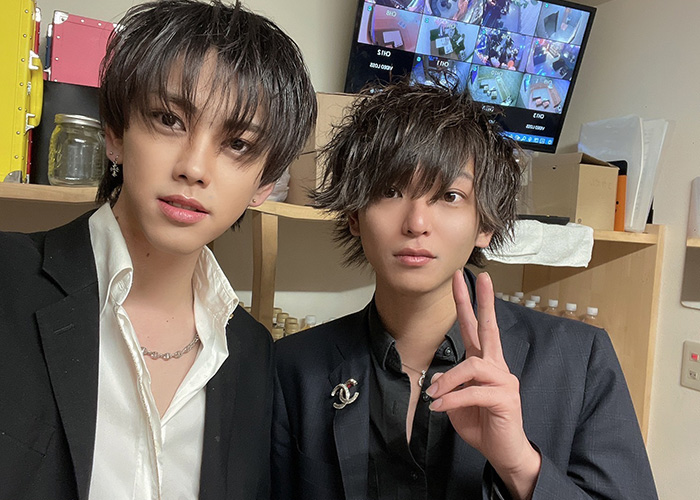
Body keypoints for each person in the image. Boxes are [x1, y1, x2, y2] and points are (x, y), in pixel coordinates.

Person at [271, 82, 657, 499]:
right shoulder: (294, 367)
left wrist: (520, 464)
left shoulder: (580, 360)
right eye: (389, 191)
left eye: (449, 196)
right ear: (354, 215)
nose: (417, 223)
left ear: (485, 224)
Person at [0, 1, 316, 499]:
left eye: (237, 144)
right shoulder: (7, 280)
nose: (194, 167)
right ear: (115, 133)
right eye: (169, 120)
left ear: (264, 183)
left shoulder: (252, 354)